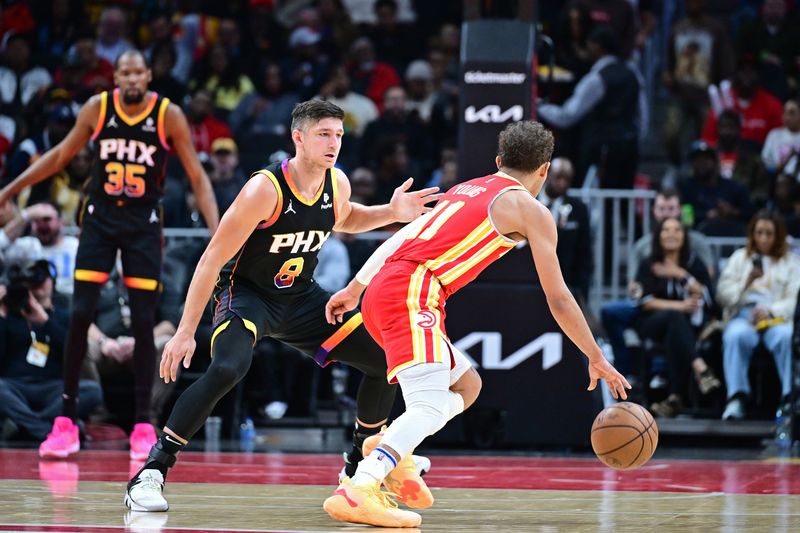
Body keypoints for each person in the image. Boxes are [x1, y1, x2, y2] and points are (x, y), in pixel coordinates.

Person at [124, 100, 439, 513]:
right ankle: (152, 471)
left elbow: (345, 218)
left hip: (301, 298)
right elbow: (211, 259)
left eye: (339, 135)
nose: (333, 143)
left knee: (383, 361)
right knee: (226, 368)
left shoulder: (336, 182)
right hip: (248, 295)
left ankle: (358, 468)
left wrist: (391, 213)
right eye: (324, 134)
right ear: (299, 138)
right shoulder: (264, 190)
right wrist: (184, 332)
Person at [322, 121, 629, 528]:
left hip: (387, 287)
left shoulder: (466, 187)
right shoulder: (532, 211)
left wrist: (356, 287)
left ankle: (392, 447)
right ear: (544, 171)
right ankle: (360, 486)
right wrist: (595, 356)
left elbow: (401, 236)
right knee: (429, 404)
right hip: (412, 291)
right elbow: (558, 297)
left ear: (499, 161)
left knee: (467, 385)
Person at [0, 50, 220, 460]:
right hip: (99, 223)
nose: (132, 78)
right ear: (115, 76)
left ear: (149, 76)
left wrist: (217, 234)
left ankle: (141, 423)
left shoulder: (167, 115)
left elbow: (196, 175)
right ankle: (64, 423)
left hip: (142, 227)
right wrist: (11, 189)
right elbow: (61, 155)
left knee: (141, 322)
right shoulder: (97, 108)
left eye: (139, 72)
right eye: (125, 72)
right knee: (80, 314)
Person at [716, 210, 800, 420]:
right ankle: (737, 398)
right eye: (759, 232)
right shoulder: (739, 258)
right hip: (744, 316)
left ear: (778, 235)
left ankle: (790, 399)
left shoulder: (791, 262)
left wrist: (771, 311)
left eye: (769, 233)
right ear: (752, 234)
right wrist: (746, 283)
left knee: (786, 337)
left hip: (776, 317)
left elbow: (794, 299)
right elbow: (722, 296)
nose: (763, 238)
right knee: (735, 336)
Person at [633, 217, 720, 418]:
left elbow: (707, 298)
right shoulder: (650, 264)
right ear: (658, 235)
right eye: (666, 230)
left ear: (684, 236)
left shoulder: (693, 262)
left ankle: (674, 398)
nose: (672, 234)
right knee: (674, 317)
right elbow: (644, 301)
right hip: (651, 322)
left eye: (677, 230)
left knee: (676, 333)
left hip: (683, 327)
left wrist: (680, 274)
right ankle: (700, 367)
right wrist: (679, 306)